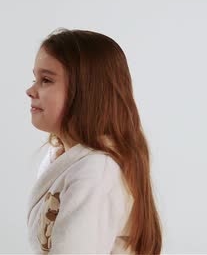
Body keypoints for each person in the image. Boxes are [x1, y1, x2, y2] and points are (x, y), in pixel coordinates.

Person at [26, 29, 162, 254]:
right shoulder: (66, 159)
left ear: (86, 92)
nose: (30, 90)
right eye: (35, 79)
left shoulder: (95, 171)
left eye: (46, 80)